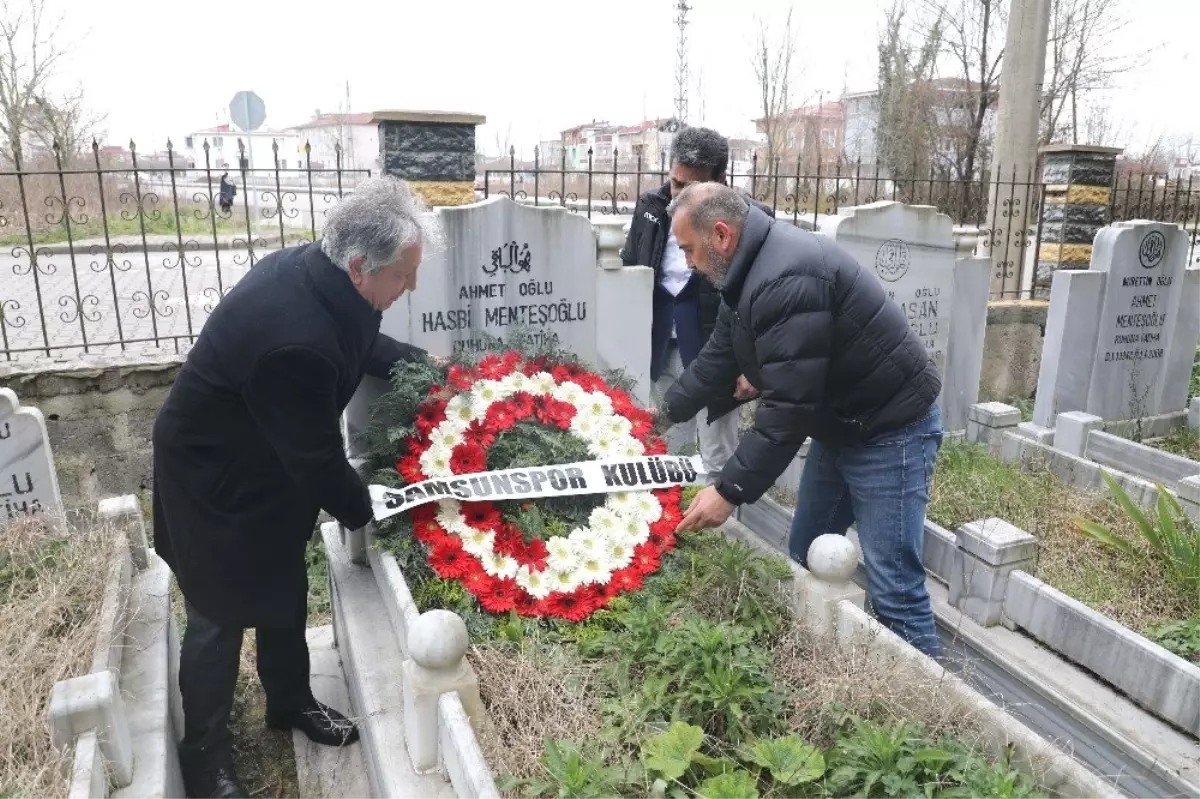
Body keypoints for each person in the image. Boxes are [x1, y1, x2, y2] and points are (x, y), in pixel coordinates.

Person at [152, 176, 442, 799]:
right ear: (361, 266)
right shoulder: (294, 338)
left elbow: (360, 340)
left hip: (267, 454)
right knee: (218, 607)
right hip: (215, 472)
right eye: (404, 275)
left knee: (284, 576)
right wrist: (382, 507)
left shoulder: (329, 278)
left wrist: (424, 365)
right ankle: (205, 755)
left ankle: (288, 700)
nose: (411, 286)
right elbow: (317, 461)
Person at [664, 182, 944, 658]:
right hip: (841, 426)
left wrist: (729, 491)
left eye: (689, 250)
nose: (687, 263)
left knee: (894, 587)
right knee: (805, 554)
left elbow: (788, 408)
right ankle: (826, 664)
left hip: (890, 431)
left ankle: (931, 716)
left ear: (722, 235)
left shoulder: (786, 276)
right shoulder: (749, 267)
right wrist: (659, 416)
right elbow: (719, 356)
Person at [620, 126, 773, 483]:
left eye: (693, 188)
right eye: (676, 183)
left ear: (719, 181)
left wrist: (752, 365)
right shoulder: (650, 208)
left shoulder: (751, 220)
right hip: (659, 343)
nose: (680, 196)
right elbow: (630, 268)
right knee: (666, 451)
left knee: (717, 457)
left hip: (716, 353)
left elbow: (762, 300)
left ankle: (719, 527)